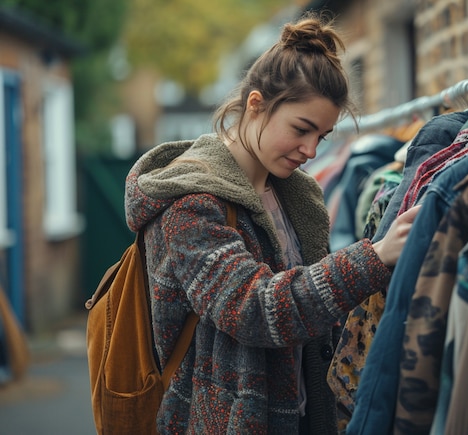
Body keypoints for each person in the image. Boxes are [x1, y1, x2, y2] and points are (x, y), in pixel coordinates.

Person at [124, 12, 420, 434]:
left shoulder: (295, 196)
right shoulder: (190, 203)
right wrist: (372, 258)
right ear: (256, 104)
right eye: (302, 129)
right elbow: (254, 308)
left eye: (322, 136)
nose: (311, 150)